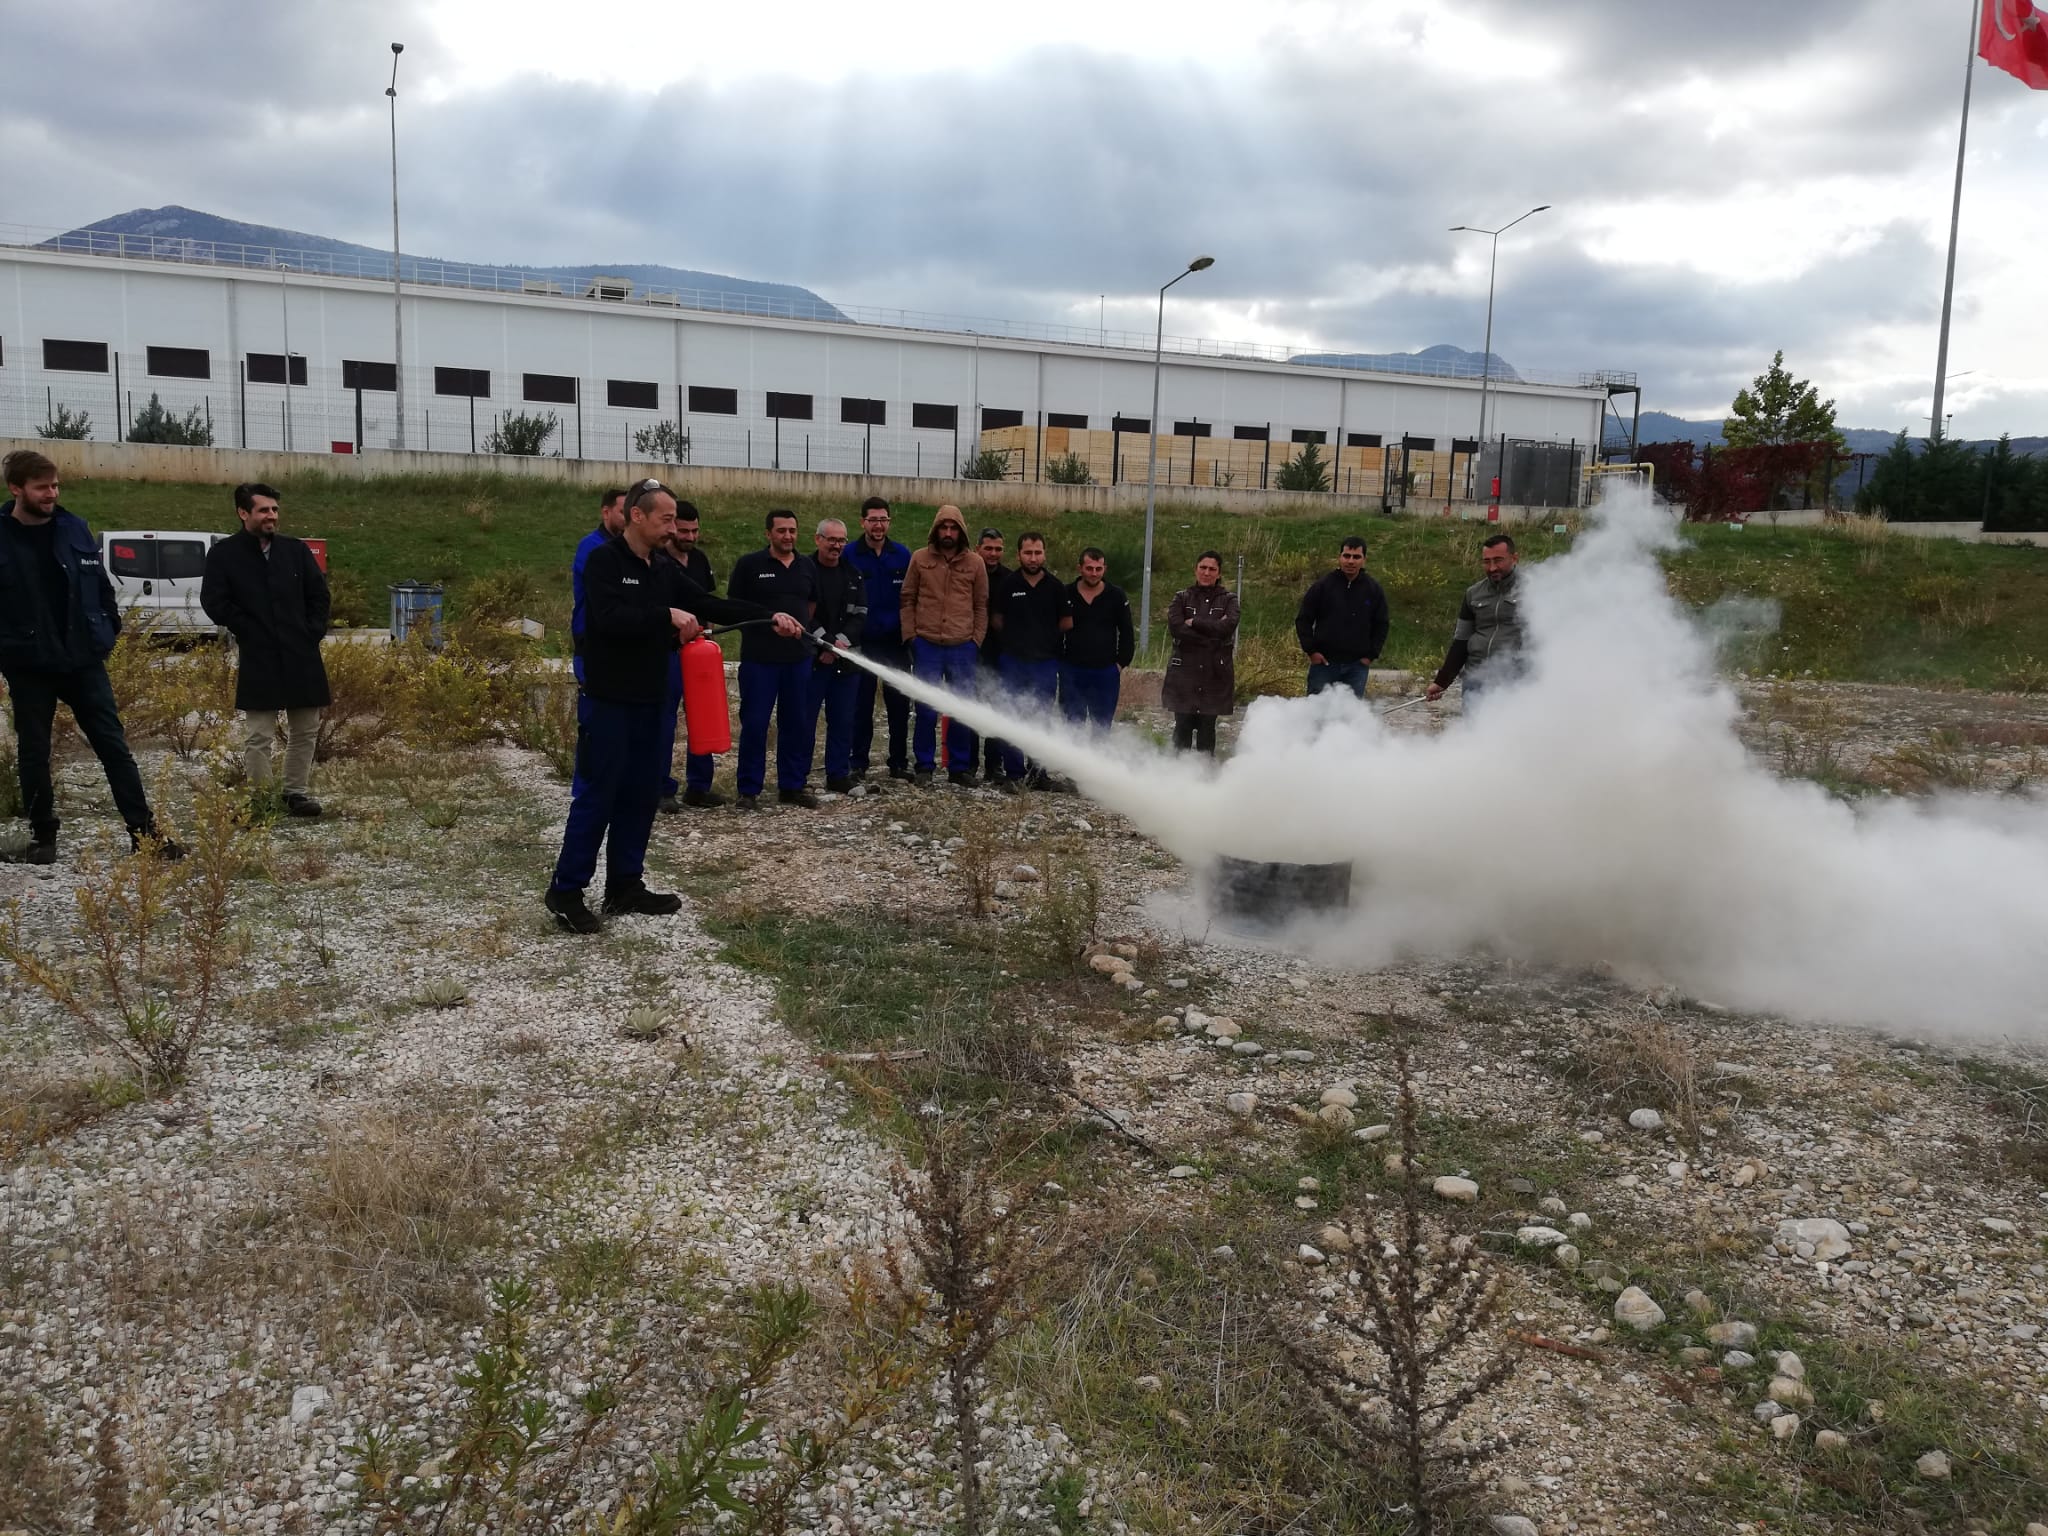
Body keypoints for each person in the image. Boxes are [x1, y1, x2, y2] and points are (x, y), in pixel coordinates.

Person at [546, 480, 797, 932]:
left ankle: (625, 885)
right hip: (608, 701)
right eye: (665, 520)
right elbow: (609, 620)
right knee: (599, 795)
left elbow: (705, 603)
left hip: (651, 700)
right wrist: (665, 615)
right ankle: (566, 892)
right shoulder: (604, 561)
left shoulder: (662, 567)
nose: (672, 529)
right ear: (636, 516)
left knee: (642, 794)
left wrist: (767, 617)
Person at [0, 448, 180, 863]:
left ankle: (144, 835)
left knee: (113, 747)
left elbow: (99, 585)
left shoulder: (74, 528)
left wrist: (108, 629)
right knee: (34, 752)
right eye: (42, 487)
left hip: (82, 660)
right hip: (28, 663)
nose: (51, 493)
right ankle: (43, 838)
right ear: (16, 489)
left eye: (55, 485)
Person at [200, 482, 332, 816]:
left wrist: (312, 631)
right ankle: (260, 800)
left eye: (274, 509)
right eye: (263, 510)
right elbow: (214, 601)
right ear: (243, 513)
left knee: (306, 729)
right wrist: (247, 628)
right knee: (259, 734)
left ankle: (294, 794)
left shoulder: (295, 551)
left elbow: (319, 595)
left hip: (301, 653)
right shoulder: (224, 555)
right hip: (259, 655)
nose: (271, 515)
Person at [729, 510, 822, 809]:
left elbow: (812, 603)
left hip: (797, 659)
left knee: (795, 722)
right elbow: (734, 606)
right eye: (781, 531)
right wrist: (769, 623)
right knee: (755, 724)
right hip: (760, 660)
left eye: (792, 530)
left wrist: (798, 627)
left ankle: (792, 786)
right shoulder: (749, 565)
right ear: (768, 533)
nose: (788, 536)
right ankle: (748, 790)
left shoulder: (807, 566)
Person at [900, 504, 989, 786]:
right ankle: (924, 767)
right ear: (936, 530)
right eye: (944, 528)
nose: (948, 533)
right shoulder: (919, 558)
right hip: (926, 644)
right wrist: (910, 636)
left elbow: (981, 605)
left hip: (963, 646)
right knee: (926, 709)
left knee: (960, 709)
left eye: (953, 528)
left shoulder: (976, 563)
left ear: (961, 531)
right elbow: (907, 598)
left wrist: (976, 640)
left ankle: (959, 768)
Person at [844, 496, 912, 783]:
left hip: (895, 644)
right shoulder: (849, 554)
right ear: (863, 522)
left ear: (889, 522)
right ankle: (857, 762)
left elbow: (911, 597)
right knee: (861, 706)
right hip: (863, 643)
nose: (878, 525)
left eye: (883, 519)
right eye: (873, 520)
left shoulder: (903, 555)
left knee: (899, 707)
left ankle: (898, 763)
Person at [990, 531, 1064, 788]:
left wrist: (1044, 641)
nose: (1033, 558)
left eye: (1038, 553)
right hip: (1013, 662)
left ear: (1044, 554)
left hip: (1044, 664)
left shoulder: (1055, 587)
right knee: (1011, 714)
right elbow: (997, 620)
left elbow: (1065, 622)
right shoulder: (1008, 584)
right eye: (1028, 553)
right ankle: (1013, 773)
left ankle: (1038, 773)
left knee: (1041, 717)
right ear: (1019, 554)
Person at [661, 501, 723, 810]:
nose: (690, 537)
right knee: (665, 718)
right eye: (684, 531)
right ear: (672, 528)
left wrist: (708, 632)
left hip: (699, 650)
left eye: (695, 531)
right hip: (668, 650)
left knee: (703, 714)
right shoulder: (658, 560)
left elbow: (706, 601)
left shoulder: (699, 559)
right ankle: (662, 788)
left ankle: (699, 786)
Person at [1427, 532, 1525, 707]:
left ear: (1514, 558)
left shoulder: (1534, 589)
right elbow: (1461, 640)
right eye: (1486, 561)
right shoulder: (1473, 593)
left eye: (1498, 560)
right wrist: (1442, 681)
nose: (1492, 568)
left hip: (1516, 681)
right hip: (1476, 680)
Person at [805, 519, 867, 794]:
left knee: (843, 720)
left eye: (841, 540)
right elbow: (803, 613)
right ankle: (797, 777)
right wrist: (826, 644)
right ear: (818, 539)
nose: (837, 545)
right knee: (805, 719)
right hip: (813, 659)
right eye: (831, 539)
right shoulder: (804, 570)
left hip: (845, 660)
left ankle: (838, 774)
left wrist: (840, 643)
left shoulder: (853, 574)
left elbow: (861, 614)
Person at [1162, 551, 1239, 755]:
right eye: (1203, 568)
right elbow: (1177, 628)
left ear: (1219, 573)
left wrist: (1195, 622)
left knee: (1207, 730)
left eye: (1212, 569)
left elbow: (1228, 627)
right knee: (1182, 728)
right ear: (1195, 570)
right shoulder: (1181, 597)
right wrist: (1212, 634)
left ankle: (1205, 772)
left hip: (1214, 675)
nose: (1207, 573)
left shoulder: (1229, 600)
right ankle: (1177, 771)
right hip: (1184, 674)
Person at [1295, 535, 1389, 698]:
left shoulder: (1373, 590)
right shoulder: (1322, 586)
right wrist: (1311, 651)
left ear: (1364, 560)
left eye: (1356, 557)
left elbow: (1382, 624)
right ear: (1339, 557)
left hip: (1357, 667)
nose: (1350, 561)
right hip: (1324, 665)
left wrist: (1370, 656)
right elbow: (1303, 619)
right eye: (1346, 556)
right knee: (1316, 711)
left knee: (1350, 713)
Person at [1058, 547, 1133, 730]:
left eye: (1098, 569)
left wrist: (1120, 663)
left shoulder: (1116, 595)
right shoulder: (1065, 593)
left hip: (1105, 672)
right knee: (1071, 727)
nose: (1094, 573)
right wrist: (1060, 663)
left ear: (1104, 569)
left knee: (1101, 728)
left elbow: (1127, 632)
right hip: (1073, 671)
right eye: (1089, 568)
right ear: (1080, 568)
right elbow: (1056, 630)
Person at [570, 486, 629, 685]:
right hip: (592, 637)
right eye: (622, 512)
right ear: (606, 512)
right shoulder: (592, 546)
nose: (628, 519)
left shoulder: (628, 548)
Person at [974, 527, 1010, 785]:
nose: (993, 553)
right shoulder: (967, 573)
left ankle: (994, 765)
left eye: (998, 549)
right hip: (970, 651)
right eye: (988, 548)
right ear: (978, 549)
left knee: (998, 709)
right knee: (967, 707)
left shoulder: (1010, 579)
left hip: (999, 654)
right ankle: (966, 764)